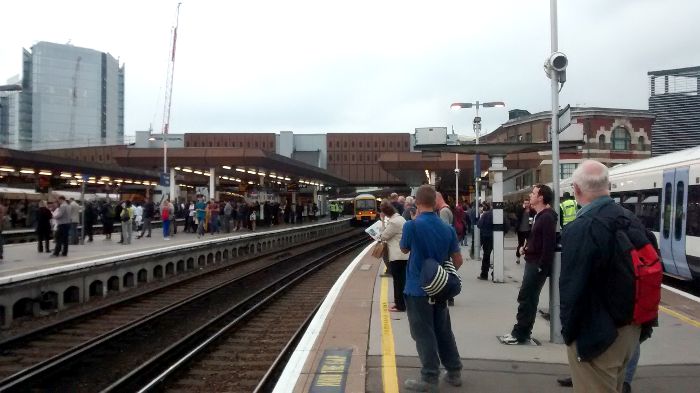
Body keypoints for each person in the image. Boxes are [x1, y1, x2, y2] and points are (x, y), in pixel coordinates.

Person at [560, 160, 648, 393]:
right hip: (630, 330)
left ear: (576, 190)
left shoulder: (581, 228)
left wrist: (569, 336)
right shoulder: (632, 220)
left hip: (597, 336)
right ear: (608, 185)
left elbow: (572, 288)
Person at [399, 185, 463, 391]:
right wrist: (441, 275)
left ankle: (429, 378)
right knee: (443, 330)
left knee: (423, 333)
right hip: (440, 288)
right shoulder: (448, 228)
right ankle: (453, 372)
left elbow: (404, 248)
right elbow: (458, 260)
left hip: (417, 288)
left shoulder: (412, 225)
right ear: (435, 203)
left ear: (416, 203)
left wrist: (414, 218)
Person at [501, 184, 557, 345]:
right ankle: (521, 332)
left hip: (536, 265)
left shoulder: (546, 217)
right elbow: (537, 240)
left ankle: (520, 333)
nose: (530, 196)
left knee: (527, 298)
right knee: (527, 297)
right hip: (533, 261)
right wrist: (526, 247)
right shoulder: (540, 215)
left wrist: (541, 266)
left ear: (541, 197)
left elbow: (548, 244)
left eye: (533, 193)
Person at [379, 201, 409, 312]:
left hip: (397, 256)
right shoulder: (401, 219)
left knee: (398, 282)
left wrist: (382, 221)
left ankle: (400, 305)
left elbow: (383, 236)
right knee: (402, 281)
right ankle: (401, 303)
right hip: (404, 256)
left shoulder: (394, 223)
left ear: (386, 213)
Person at [477, 203, 494, 280]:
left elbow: (479, 225)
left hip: (487, 237)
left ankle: (484, 274)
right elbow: (507, 225)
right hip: (497, 238)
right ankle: (496, 273)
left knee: (486, 256)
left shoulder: (486, 215)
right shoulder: (501, 214)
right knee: (498, 256)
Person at [515, 199, 534, 264]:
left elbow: (531, 220)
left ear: (529, 203)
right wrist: (522, 208)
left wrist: (531, 226)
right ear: (523, 204)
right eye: (525, 203)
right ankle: (518, 257)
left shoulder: (531, 211)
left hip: (528, 230)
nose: (526, 204)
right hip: (520, 230)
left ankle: (527, 257)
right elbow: (517, 215)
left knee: (529, 244)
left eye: (528, 203)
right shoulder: (520, 210)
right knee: (520, 244)